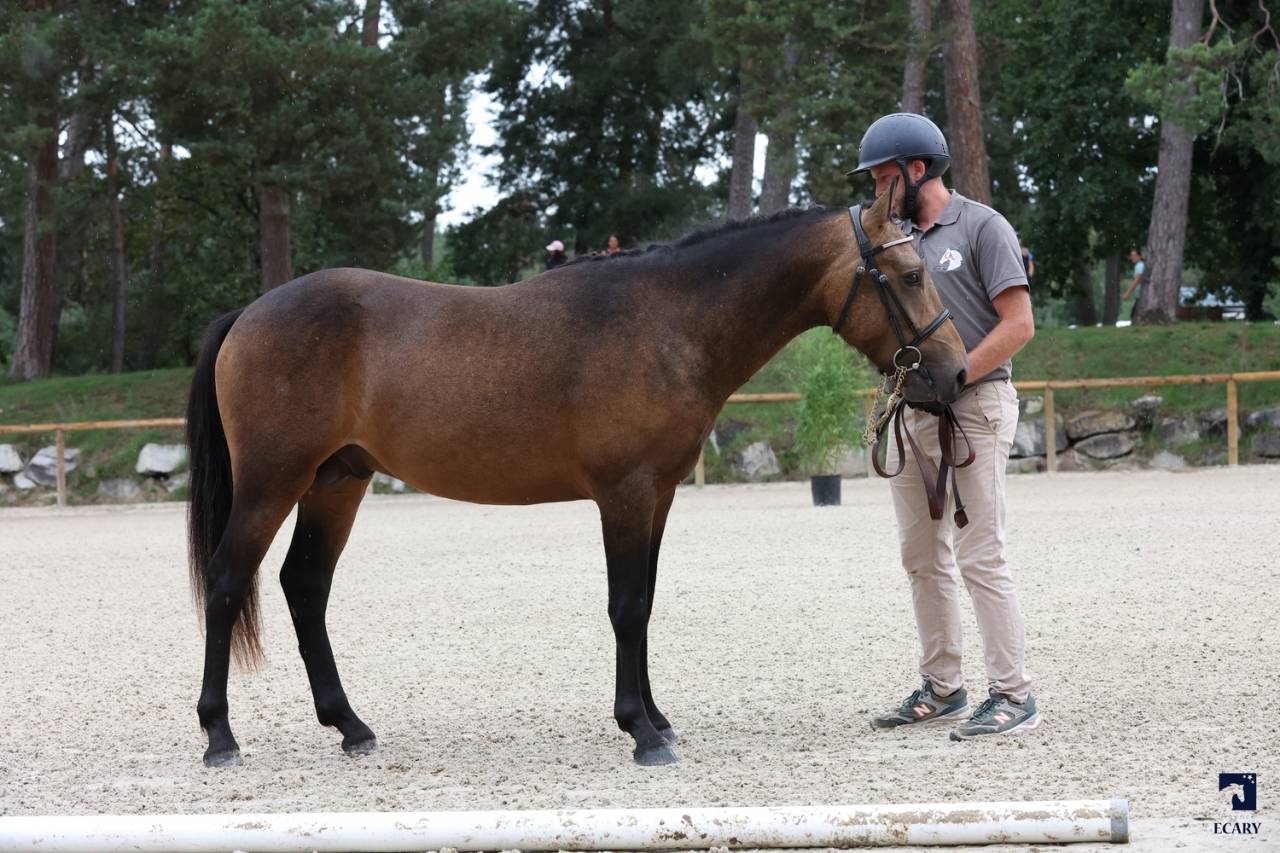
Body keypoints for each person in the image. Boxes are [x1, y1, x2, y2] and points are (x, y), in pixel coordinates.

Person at [849, 113, 1039, 740]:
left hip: (976, 407)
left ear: (918, 169)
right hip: (913, 413)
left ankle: (1012, 694)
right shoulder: (892, 238)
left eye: (884, 177)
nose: (877, 190)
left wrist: (956, 378)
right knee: (921, 556)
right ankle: (942, 686)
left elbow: (1019, 324)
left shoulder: (983, 226)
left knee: (980, 554)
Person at [1122, 249, 1147, 322]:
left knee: (1134, 315)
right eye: (1131, 255)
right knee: (1134, 314)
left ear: (1139, 256)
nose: (1132, 257)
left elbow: (1137, 280)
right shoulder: (1139, 265)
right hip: (1140, 296)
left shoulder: (1139, 265)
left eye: (1134, 255)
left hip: (1142, 295)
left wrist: (1128, 293)